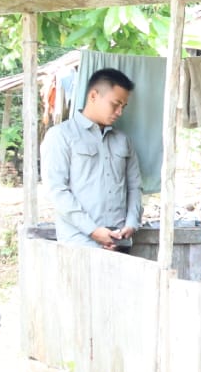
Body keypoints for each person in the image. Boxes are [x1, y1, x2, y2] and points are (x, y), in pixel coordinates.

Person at [41, 68, 142, 250]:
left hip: (120, 242)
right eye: (115, 104)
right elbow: (57, 191)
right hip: (80, 245)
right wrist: (93, 230)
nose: (119, 112)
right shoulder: (61, 136)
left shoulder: (123, 140)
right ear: (93, 96)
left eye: (123, 107)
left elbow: (134, 186)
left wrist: (131, 223)